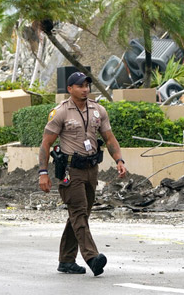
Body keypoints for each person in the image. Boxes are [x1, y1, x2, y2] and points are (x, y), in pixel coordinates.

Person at [39, 72, 127, 276]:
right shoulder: (60, 112)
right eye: (80, 86)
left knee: (80, 215)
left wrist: (119, 160)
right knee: (78, 212)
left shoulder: (98, 110)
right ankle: (92, 257)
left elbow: (109, 138)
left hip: (91, 169)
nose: (85, 89)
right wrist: (43, 173)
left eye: (87, 85)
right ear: (70, 89)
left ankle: (66, 260)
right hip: (71, 171)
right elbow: (46, 143)